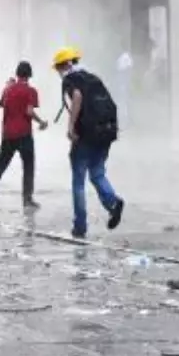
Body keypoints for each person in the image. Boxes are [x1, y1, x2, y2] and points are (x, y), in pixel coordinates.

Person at [53, 46, 125, 239]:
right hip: (106, 133)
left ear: (67, 65)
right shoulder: (93, 78)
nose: (59, 73)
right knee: (98, 173)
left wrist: (70, 127)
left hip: (86, 137)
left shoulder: (72, 79)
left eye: (59, 68)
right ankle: (113, 202)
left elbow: (77, 97)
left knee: (78, 181)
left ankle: (80, 226)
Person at [0, 61, 48, 210]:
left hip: (8, 135)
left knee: (1, 165)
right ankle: (27, 199)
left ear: (17, 74)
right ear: (29, 75)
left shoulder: (7, 89)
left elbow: (1, 104)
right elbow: (29, 111)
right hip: (24, 134)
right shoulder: (31, 91)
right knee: (28, 166)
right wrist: (41, 122)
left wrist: (7, 86)